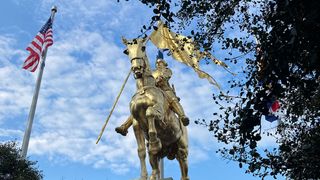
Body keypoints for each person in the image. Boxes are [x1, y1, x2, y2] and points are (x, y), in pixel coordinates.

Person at [115, 57, 189, 136]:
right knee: (138, 106)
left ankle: (182, 116)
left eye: (160, 62)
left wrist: (161, 78)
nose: (158, 64)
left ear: (164, 64)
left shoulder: (166, 70)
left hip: (165, 90)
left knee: (173, 99)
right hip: (153, 90)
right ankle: (125, 126)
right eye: (157, 63)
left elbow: (166, 75)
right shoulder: (153, 72)